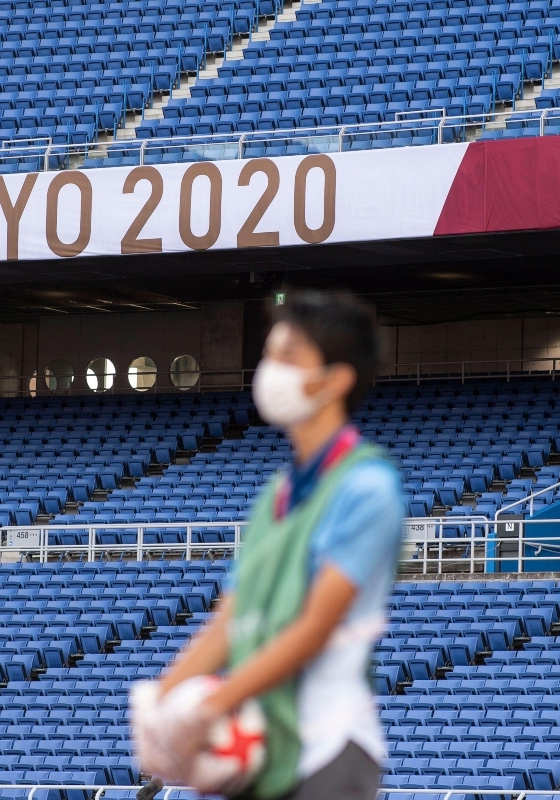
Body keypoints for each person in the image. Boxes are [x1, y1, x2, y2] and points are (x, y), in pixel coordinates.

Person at [138, 291, 404, 800]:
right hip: (265, 748)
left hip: (328, 748)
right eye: (269, 355)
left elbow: (314, 630)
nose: (270, 370)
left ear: (336, 380)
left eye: (288, 356)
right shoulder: (274, 495)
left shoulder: (367, 488)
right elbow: (229, 622)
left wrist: (210, 708)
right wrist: (161, 700)